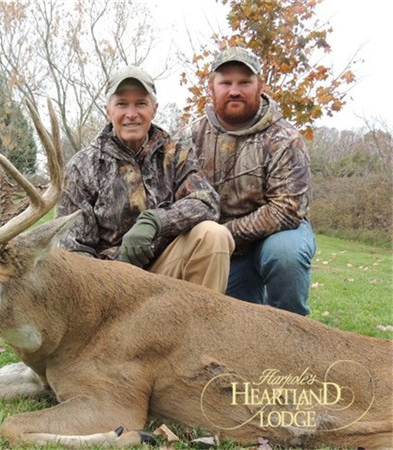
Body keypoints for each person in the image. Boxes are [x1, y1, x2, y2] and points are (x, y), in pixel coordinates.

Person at [56, 66, 234, 293]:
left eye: (141, 103)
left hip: (165, 272)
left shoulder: (175, 155)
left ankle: (203, 325)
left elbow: (207, 201)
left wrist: (155, 222)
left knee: (213, 235)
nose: (131, 114)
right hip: (109, 288)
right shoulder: (82, 167)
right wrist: (116, 263)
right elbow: (71, 250)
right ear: (108, 111)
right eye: (121, 104)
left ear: (154, 109)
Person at [176, 47, 315, 315]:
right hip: (222, 245)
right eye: (226, 83)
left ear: (260, 85)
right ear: (210, 87)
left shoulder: (285, 138)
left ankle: (295, 336)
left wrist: (224, 235)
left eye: (244, 82)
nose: (234, 91)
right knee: (234, 319)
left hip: (277, 234)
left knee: (285, 256)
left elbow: (286, 210)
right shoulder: (188, 138)